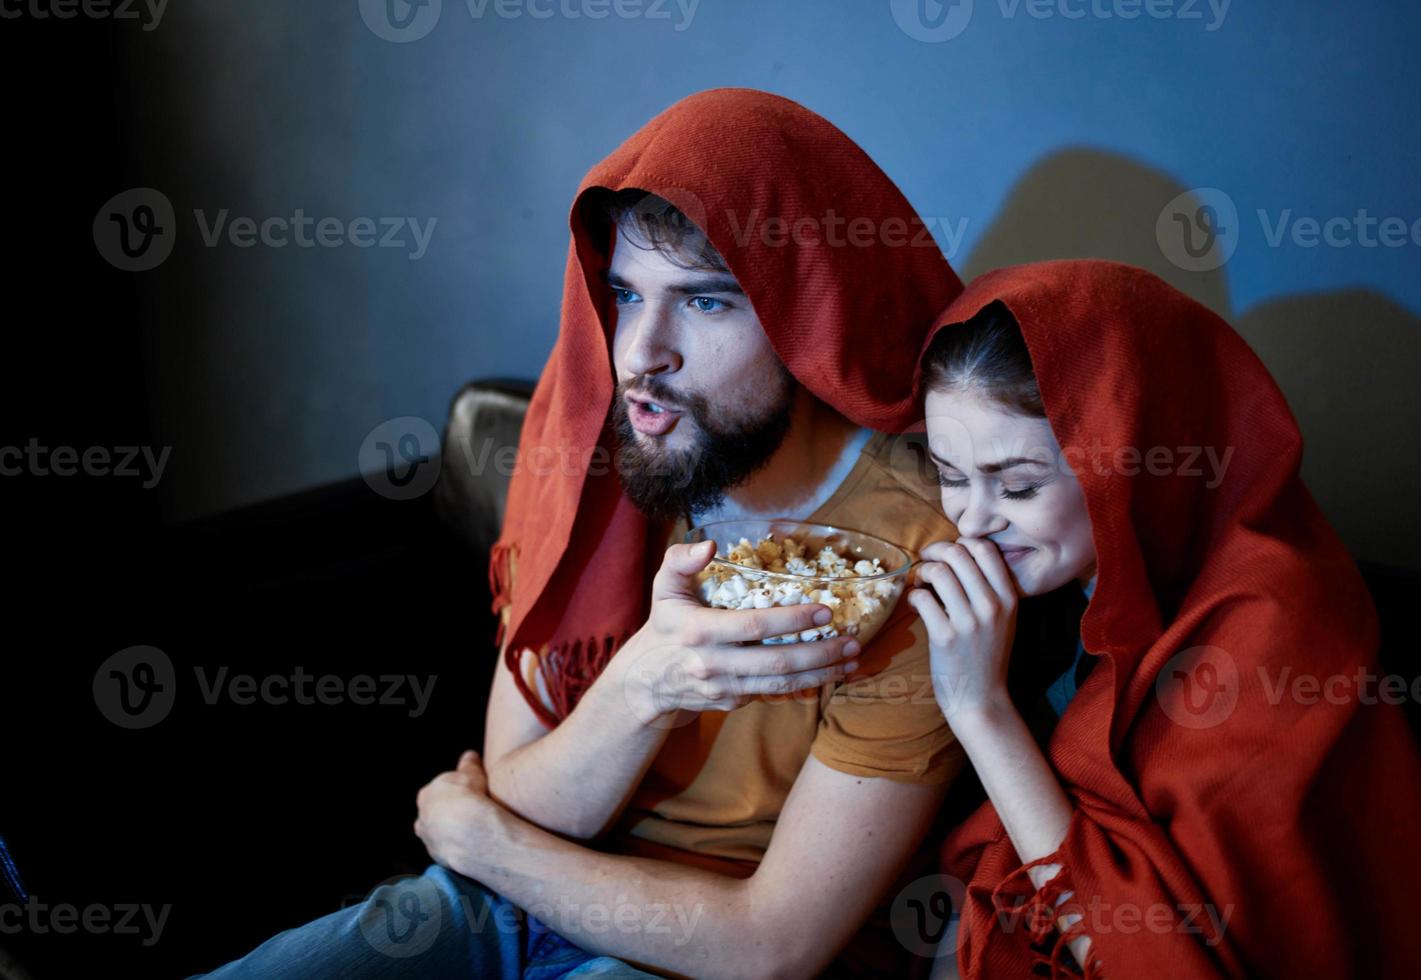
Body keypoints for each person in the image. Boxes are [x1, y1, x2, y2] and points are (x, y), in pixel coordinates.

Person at [193, 86, 980, 979]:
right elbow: (521, 784)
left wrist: (483, 843)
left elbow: (773, 945)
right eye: (624, 294)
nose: (642, 353)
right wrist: (647, 685)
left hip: (685, 949)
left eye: (707, 303)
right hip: (496, 907)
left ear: (811, 313)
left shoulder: (907, 557)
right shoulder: (596, 458)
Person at [903, 260, 1421, 978]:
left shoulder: (1272, 627)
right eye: (950, 476)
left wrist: (977, 708)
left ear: (1136, 458)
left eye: (1017, 484)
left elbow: (1143, 959)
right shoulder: (1050, 576)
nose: (972, 518)